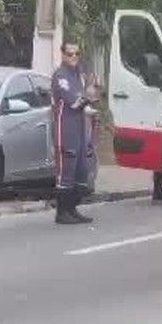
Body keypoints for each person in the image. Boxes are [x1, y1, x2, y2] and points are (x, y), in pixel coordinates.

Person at [52, 41, 97, 225]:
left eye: (77, 54)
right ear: (63, 55)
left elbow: (88, 99)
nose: (73, 58)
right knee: (66, 171)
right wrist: (89, 96)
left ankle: (72, 209)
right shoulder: (60, 76)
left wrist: (91, 97)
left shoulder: (79, 75)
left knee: (81, 172)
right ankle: (62, 212)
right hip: (65, 129)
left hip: (80, 128)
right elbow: (75, 101)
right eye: (70, 54)